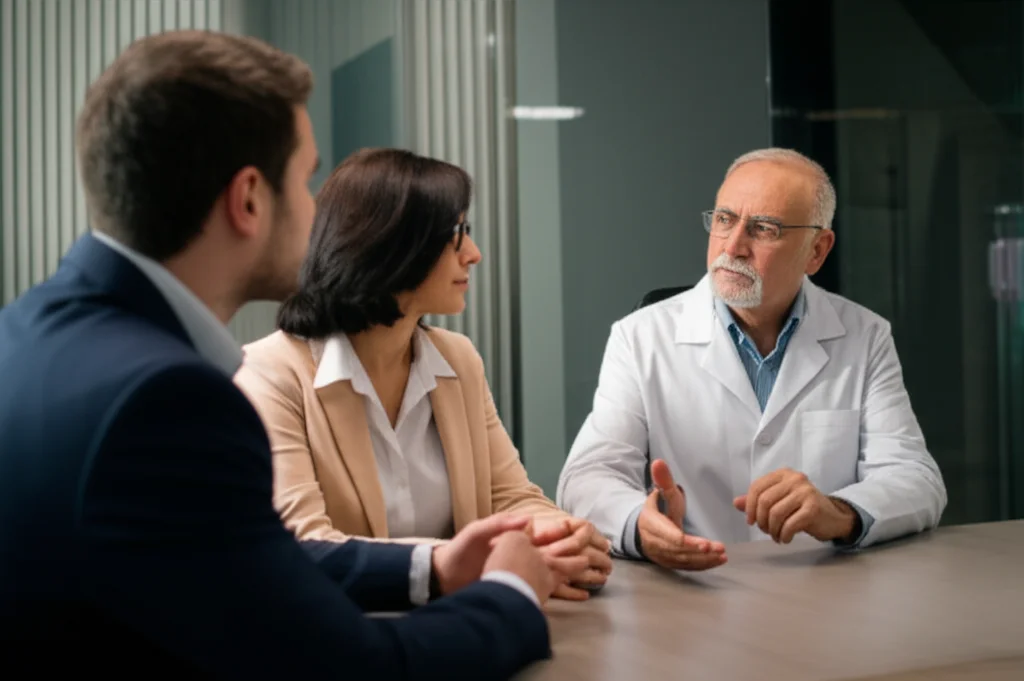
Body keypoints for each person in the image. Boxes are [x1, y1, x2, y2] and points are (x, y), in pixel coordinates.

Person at [0, 31, 582, 679]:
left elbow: (245, 557)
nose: (319, 215)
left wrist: (432, 566)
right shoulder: (167, 398)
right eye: (306, 181)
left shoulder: (24, 338)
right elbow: (354, 668)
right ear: (249, 199)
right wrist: (511, 593)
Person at [234, 148, 612, 601]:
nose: (474, 254)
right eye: (457, 234)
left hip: (469, 622)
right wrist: (467, 563)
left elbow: (511, 497)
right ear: (392, 245)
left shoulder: (458, 358)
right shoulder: (270, 374)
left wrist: (564, 535)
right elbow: (307, 545)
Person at [557, 148, 947, 571]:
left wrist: (837, 512)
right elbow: (587, 477)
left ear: (817, 250)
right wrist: (639, 525)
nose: (734, 246)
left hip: (822, 588)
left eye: (763, 229)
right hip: (694, 587)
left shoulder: (865, 336)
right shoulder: (639, 337)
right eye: (725, 220)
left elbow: (916, 478)